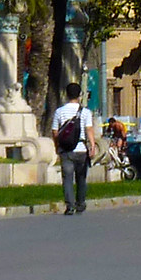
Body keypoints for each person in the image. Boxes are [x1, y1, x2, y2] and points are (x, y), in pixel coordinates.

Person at [51, 81, 94, 216]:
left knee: (67, 178)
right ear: (80, 95)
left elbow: (55, 132)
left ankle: (70, 206)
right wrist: (92, 146)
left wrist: (57, 146)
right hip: (81, 149)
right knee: (81, 178)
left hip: (66, 150)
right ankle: (80, 203)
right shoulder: (85, 112)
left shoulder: (59, 112)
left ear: (66, 94)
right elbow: (89, 130)